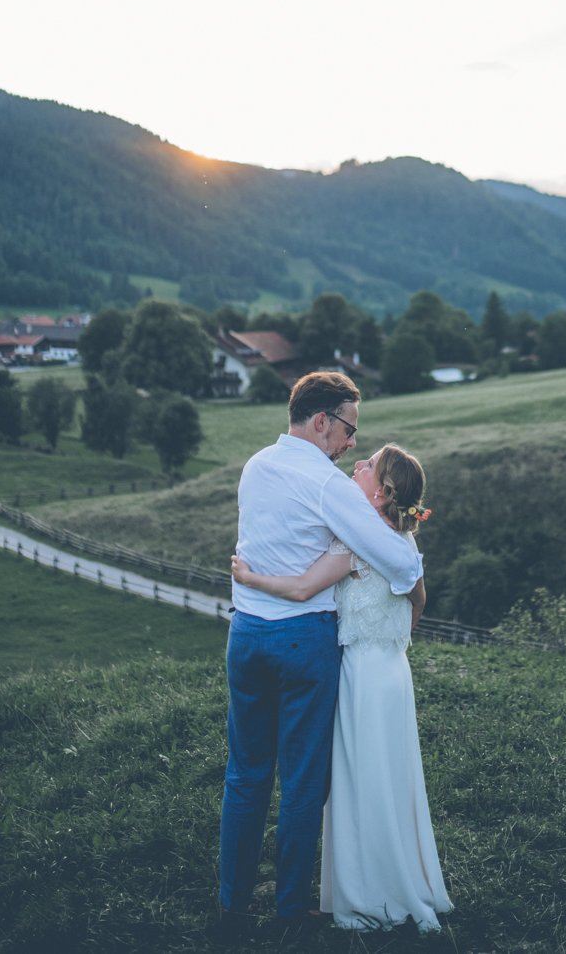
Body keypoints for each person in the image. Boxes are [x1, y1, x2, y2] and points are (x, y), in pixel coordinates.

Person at [218, 371, 423, 943]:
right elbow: (403, 565)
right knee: (304, 780)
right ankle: (289, 912)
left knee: (245, 774)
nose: (352, 442)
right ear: (320, 422)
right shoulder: (330, 485)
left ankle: (231, 907)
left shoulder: (255, 465)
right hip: (303, 643)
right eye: (349, 429)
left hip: (247, 636)